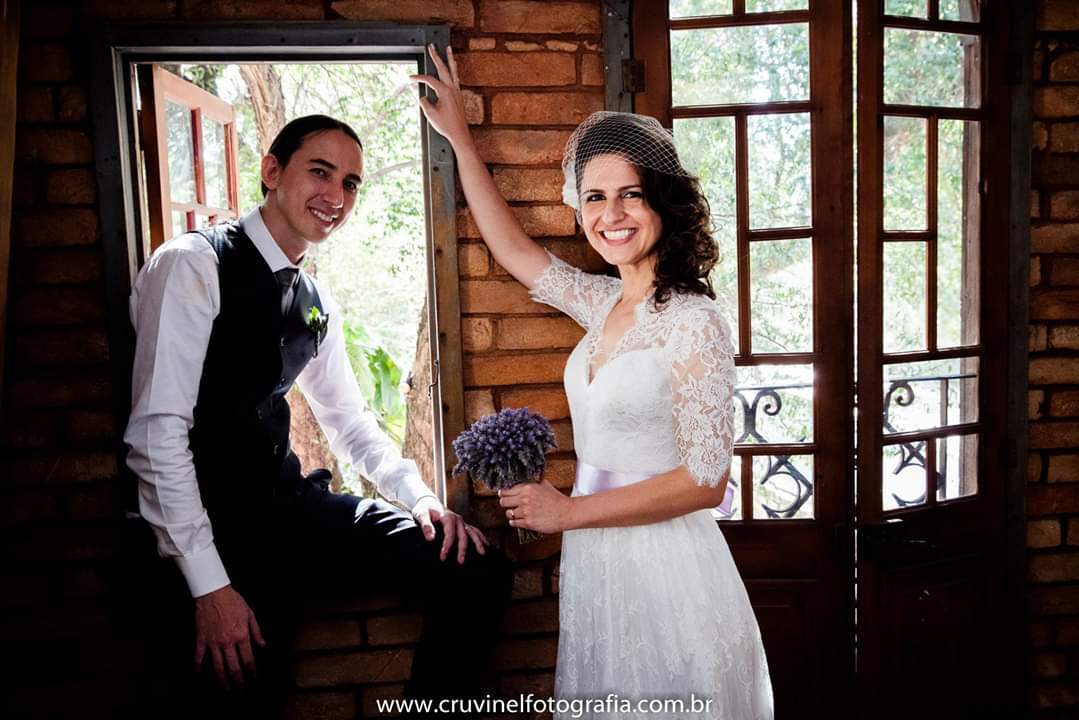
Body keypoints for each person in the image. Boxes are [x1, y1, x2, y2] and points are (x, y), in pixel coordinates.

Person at [415, 47, 773, 718]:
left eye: (630, 194)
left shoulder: (693, 322)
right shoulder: (603, 301)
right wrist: (460, 138)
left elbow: (707, 480)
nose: (612, 213)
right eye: (595, 197)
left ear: (662, 201)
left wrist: (566, 513)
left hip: (668, 564)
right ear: (579, 209)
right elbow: (513, 250)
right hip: (597, 563)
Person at [123, 114, 510, 716]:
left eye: (350, 183)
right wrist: (210, 586)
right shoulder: (192, 264)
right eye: (320, 172)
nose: (336, 196)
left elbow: (350, 424)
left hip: (288, 511)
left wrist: (419, 498)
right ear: (272, 171)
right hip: (210, 530)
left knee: (474, 568)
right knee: (248, 696)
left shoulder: (314, 299)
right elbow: (156, 436)